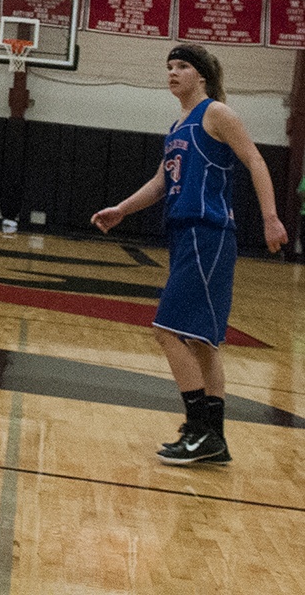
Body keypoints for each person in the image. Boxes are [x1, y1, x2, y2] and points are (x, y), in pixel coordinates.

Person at [91, 44, 286, 465]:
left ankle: (198, 428)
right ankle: (214, 439)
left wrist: (270, 217)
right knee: (202, 342)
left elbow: (255, 160)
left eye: (181, 66)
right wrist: (122, 209)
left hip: (207, 232)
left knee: (166, 330)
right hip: (185, 234)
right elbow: (162, 181)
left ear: (201, 75)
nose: (173, 72)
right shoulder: (177, 125)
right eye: (169, 66)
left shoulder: (216, 113)